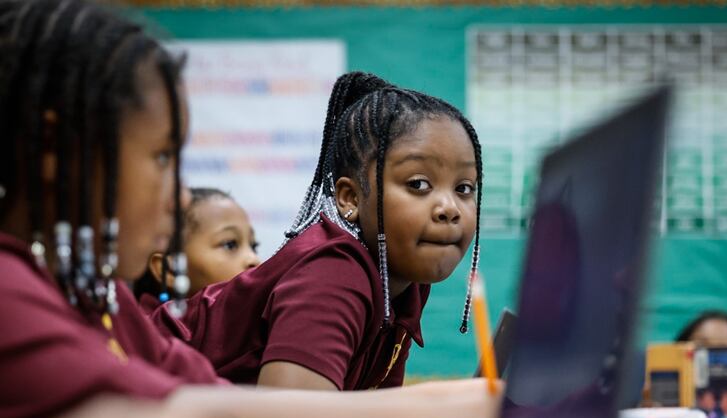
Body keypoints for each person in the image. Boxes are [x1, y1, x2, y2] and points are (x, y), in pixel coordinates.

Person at [0, 1, 500, 418]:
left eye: (465, 190)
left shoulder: (99, 302)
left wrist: (446, 406)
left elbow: (210, 398)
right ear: (57, 152)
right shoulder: (8, 294)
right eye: (160, 158)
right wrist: (442, 414)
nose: (177, 199)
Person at [150, 71, 485, 391]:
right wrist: (439, 408)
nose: (450, 208)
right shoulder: (334, 272)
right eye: (419, 184)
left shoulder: (404, 287)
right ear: (350, 198)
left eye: (465, 188)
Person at [134, 187, 260, 311]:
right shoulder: (142, 329)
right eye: (230, 244)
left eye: (254, 246)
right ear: (169, 270)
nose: (254, 260)